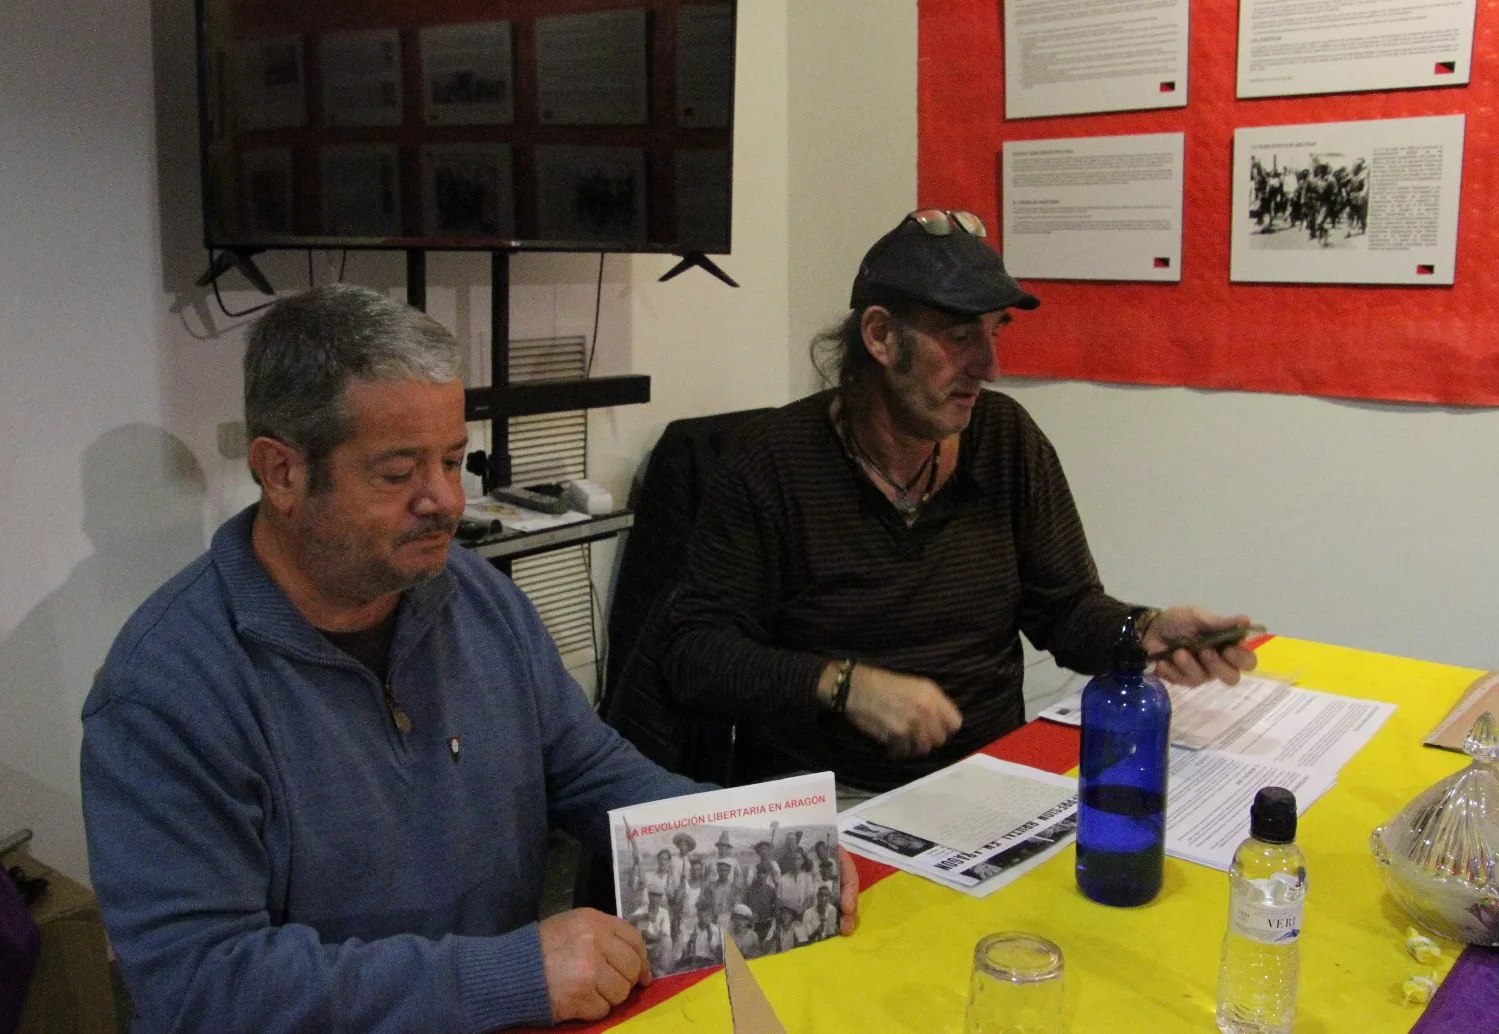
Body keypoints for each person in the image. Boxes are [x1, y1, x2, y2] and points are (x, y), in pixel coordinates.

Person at [79, 285, 858, 1031]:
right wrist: (510, 976)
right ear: (282, 472)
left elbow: (591, 771)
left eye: (454, 460)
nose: (446, 501)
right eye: (399, 472)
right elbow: (205, 988)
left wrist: (768, 846)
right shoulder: (166, 689)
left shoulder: (473, 597)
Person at [663, 210, 1256, 795]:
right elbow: (695, 652)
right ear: (879, 336)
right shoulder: (773, 462)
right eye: (959, 336)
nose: (991, 367)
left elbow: (1065, 609)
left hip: (987, 779)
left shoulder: (1003, 438)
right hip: (834, 795)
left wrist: (1144, 630)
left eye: (995, 331)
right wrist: (846, 686)